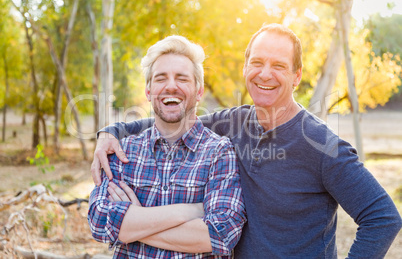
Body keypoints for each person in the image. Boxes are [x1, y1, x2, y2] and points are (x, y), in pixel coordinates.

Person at [91, 24, 402, 258]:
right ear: (245, 66)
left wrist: (131, 227)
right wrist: (111, 132)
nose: (265, 74)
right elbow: (171, 117)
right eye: (257, 62)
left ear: (296, 75)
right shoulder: (233, 122)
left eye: (279, 65)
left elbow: (383, 218)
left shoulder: (322, 145)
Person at [87, 35, 246, 258]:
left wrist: (135, 222)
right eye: (161, 78)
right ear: (148, 91)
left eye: (182, 78)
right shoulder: (123, 152)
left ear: (199, 92)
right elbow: (99, 221)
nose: (171, 86)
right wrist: (190, 211)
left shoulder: (219, 152)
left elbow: (220, 235)